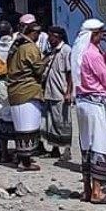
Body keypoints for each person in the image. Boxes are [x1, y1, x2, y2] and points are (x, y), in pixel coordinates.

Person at [76, 20, 106, 204]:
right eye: (100, 33)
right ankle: (97, 191)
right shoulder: (92, 54)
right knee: (99, 145)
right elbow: (105, 78)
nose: (102, 36)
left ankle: (86, 189)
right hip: (95, 103)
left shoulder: (77, 52)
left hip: (82, 102)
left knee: (86, 145)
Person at [6, 22, 46, 171]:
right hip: (27, 91)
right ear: (32, 33)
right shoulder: (29, 48)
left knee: (21, 127)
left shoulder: (15, 48)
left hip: (15, 91)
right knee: (28, 128)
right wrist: (47, 60)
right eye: (37, 32)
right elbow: (38, 69)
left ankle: (22, 157)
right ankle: (25, 161)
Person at [41, 26, 74, 159]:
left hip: (61, 91)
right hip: (50, 91)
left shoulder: (66, 50)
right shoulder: (52, 51)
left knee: (64, 121)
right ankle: (55, 148)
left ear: (57, 36)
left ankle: (67, 150)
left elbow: (70, 72)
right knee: (52, 122)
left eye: (51, 36)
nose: (49, 39)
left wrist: (68, 92)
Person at [0, 19, 17, 162]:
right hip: (14, 82)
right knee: (17, 117)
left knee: (2, 117)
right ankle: (19, 151)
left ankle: (4, 153)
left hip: (1, 83)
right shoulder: (15, 46)